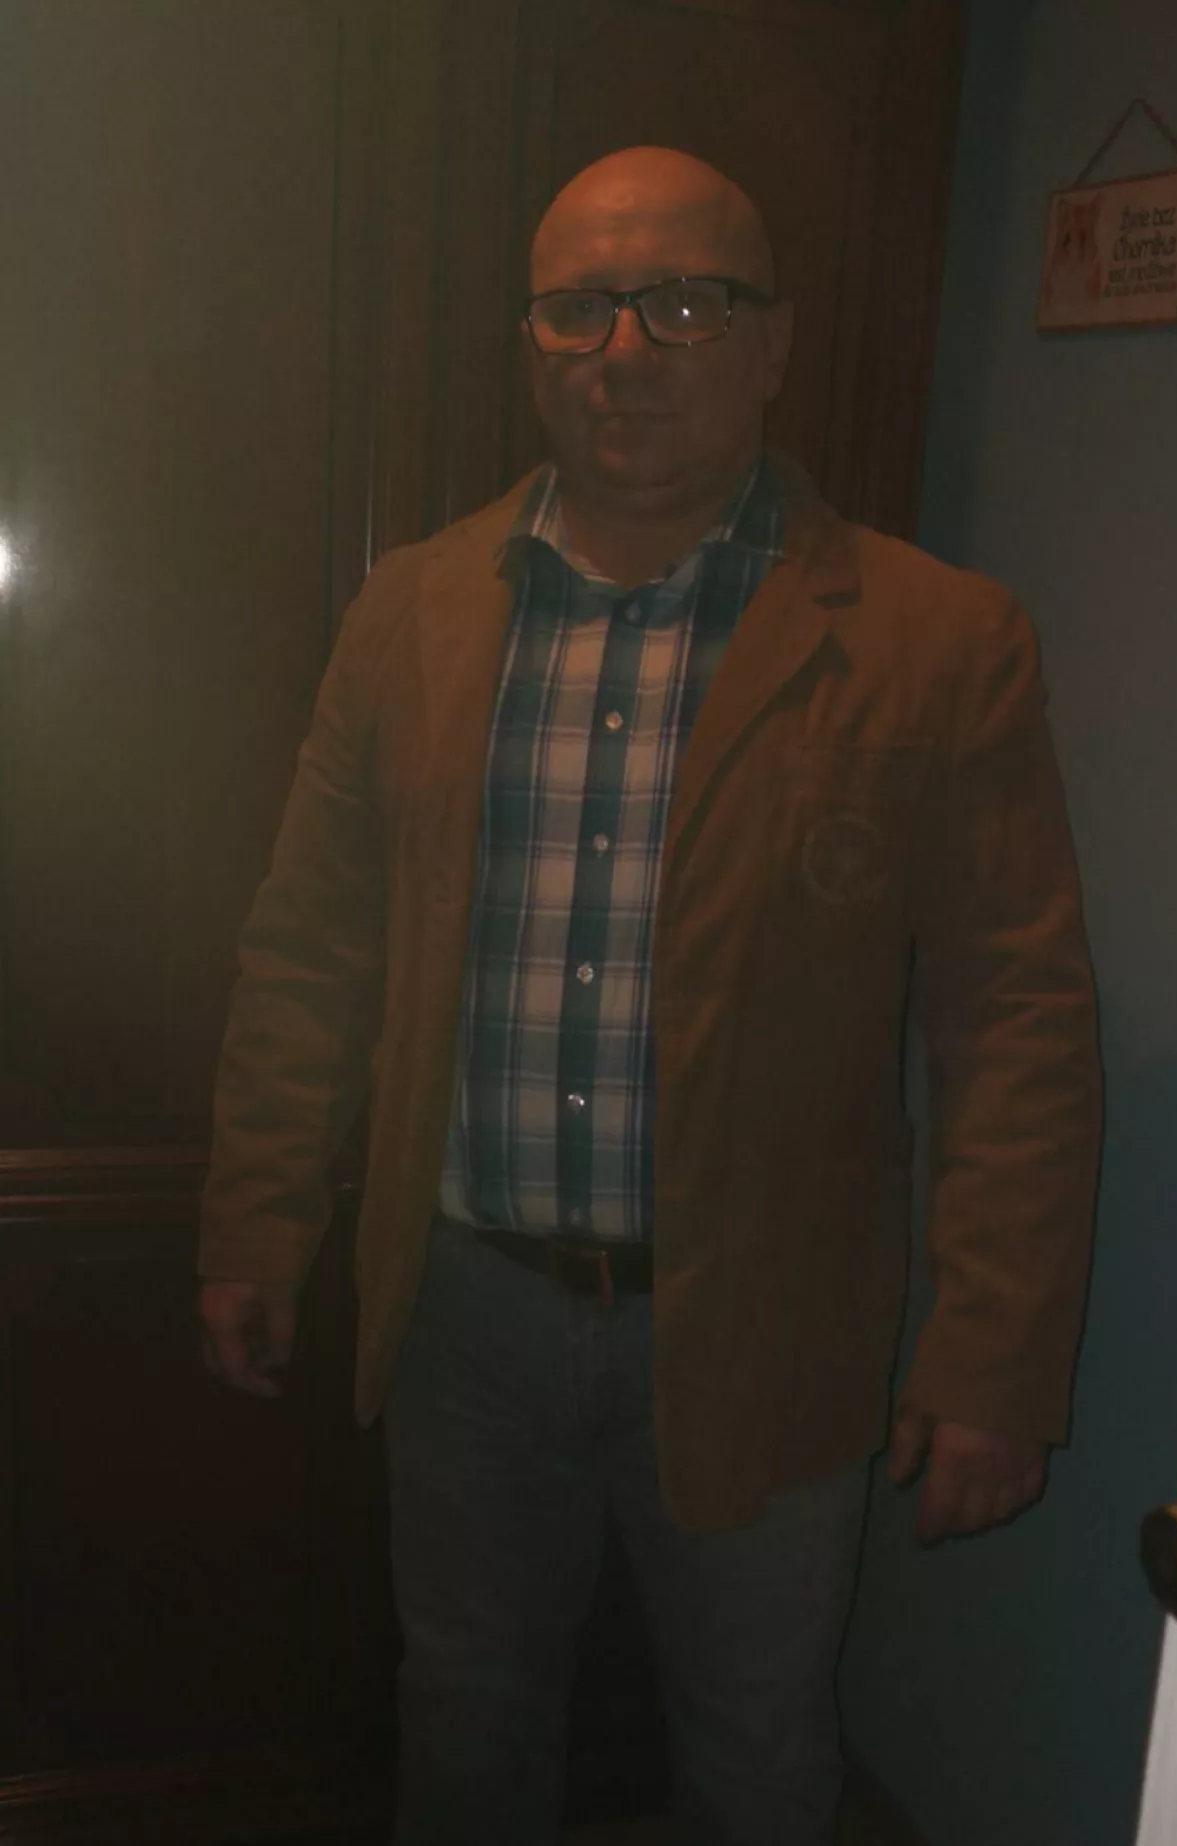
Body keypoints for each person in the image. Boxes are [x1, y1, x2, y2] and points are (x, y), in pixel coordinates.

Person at [198, 145, 1102, 1845]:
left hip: (764, 1327)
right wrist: (256, 1215)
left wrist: (994, 1353)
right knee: (466, 1725)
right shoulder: (408, 615)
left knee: (759, 1761)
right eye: (579, 309)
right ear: (531, 344)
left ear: (772, 344)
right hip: (465, 1316)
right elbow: (310, 945)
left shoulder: (937, 640)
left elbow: (1017, 1024)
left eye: (684, 305)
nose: (624, 351)